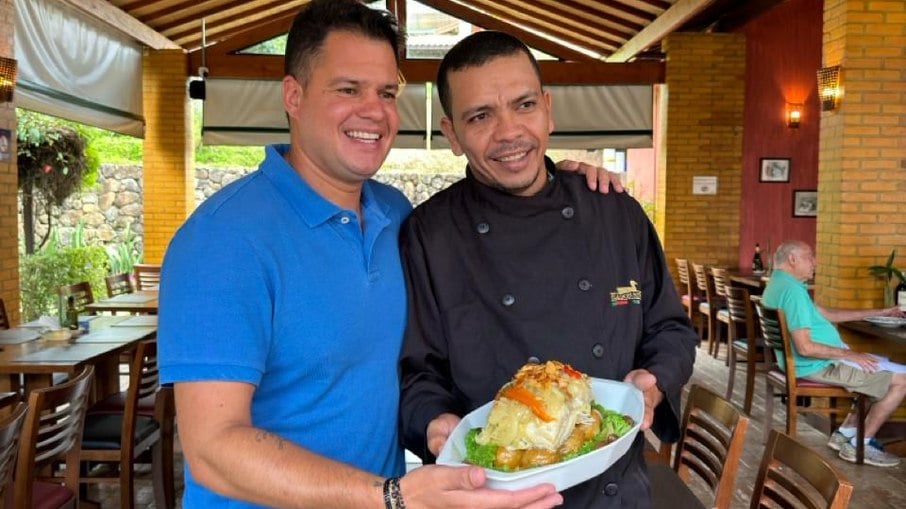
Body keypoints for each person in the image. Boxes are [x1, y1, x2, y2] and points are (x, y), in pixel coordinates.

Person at [158, 1, 622, 507]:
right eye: (347, 89)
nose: (374, 111)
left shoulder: (394, 214)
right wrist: (391, 495)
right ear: (293, 95)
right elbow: (212, 448)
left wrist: (559, 184)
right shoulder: (222, 240)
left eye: (385, 92)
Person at [398, 31, 698, 508]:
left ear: (548, 109)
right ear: (452, 134)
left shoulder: (616, 214)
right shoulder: (429, 235)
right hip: (495, 498)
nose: (509, 132)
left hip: (615, 494)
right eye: (480, 116)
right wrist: (436, 422)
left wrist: (654, 381)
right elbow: (418, 371)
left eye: (524, 105)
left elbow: (669, 328)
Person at [762, 240, 906, 467]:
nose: (815, 262)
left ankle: (846, 432)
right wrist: (850, 355)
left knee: (884, 363)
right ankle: (861, 445)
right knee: (902, 379)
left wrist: (883, 311)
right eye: (810, 256)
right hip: (818, 365)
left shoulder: (780, 284)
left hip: (810, 363)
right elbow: (805, 347)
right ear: (793, 259)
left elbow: (827, 314)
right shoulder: (793, 292)